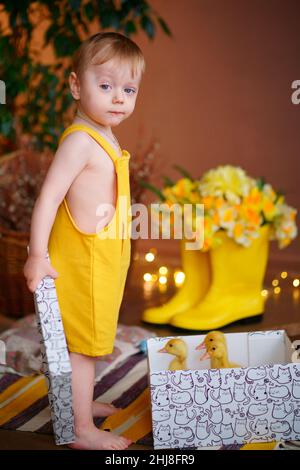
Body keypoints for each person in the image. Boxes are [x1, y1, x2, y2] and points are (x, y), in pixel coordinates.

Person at [23, 32, 145, 450]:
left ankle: (81, 402)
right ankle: (79, 429)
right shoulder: (80, 141)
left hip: (102, 259)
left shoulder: (105, 136)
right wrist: (37, 255)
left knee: (90, 342)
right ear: (77, 86)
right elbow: (49, 197)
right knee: (82, 348)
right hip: (83, 263)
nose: (118, 98)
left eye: (128, 90)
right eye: (105, 86)